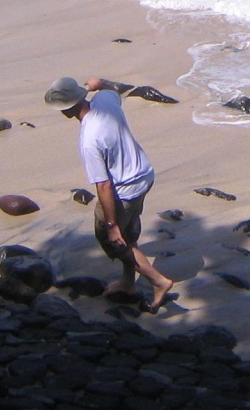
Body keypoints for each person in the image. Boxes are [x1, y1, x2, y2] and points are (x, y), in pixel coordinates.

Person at [45, 76, 175, 310]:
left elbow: (103, 185)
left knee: (113, 239)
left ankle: (158, 281)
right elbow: (113, 89)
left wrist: (111, 225)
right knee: (130, 230)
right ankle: (128, 282)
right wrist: (99, 83)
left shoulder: (89, 140)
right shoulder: (105, 100)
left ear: (65, 111)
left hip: (123, 190)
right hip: (144, 175)